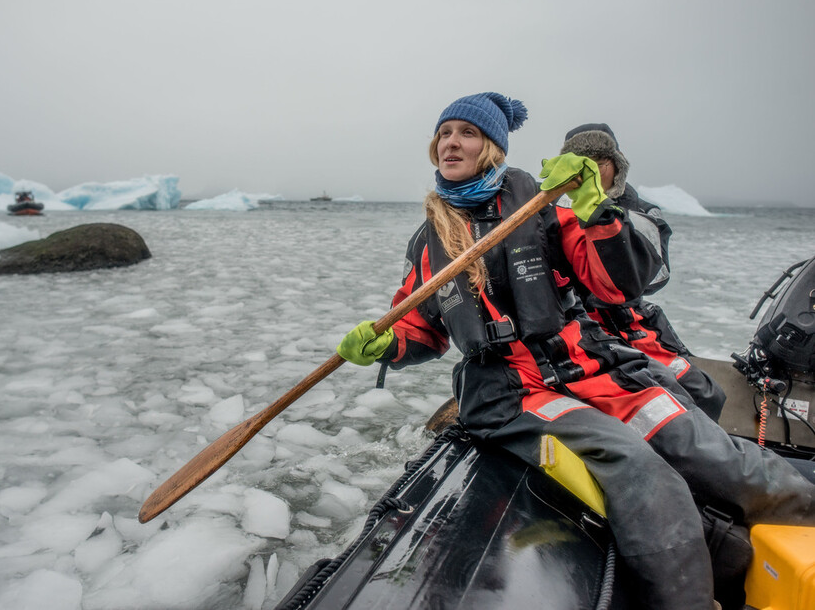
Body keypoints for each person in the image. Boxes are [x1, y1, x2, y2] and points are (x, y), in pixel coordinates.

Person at [336, 92, 815, 610]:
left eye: (466, 132)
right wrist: (389, 343)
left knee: (712, 449)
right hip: (514, 392)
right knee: (640, 469)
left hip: (590, 368)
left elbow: (616, 286)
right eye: (444, 133)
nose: (452, 142)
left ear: (492, 148)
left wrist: (597, 213)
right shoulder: (426, 242)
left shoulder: (544, 208)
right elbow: (420, 326)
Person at [556, 123, 727, 420]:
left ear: (616, 163)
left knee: (702, 393)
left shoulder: (641, 213)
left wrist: (607, 226)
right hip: (575, 326)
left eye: (598, 161)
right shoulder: (551, 210)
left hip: (631, 324)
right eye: (578, 163)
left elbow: (653, 279)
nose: (589, 171)